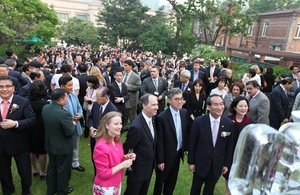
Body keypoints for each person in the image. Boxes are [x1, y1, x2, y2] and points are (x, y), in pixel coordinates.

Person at [188, 94, 234, 195]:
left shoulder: (228, 123)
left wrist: (226, 164)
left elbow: (229, 146)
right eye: (216, 104)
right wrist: (191, 162)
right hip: (200, 163)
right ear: (208, 107)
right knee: (195, 188)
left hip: (217, 165)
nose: (219, 107)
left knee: (209, 190)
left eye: (221, 104)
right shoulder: (199, 122)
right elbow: (192, 143)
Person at [0, 76, 36, 195]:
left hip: (19, 143)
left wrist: (15, 123)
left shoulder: (23, 101)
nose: (4, 89)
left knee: (24, 171)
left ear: (13, 88)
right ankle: (7, 190)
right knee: (3, 171)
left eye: (7, 86)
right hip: (1, 145)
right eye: (1, 86)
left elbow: (31, 119)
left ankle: (26, 190)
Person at [153, 88, 188, 195]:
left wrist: (185, 149)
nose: (180, 101)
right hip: (165, 156)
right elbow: (159, 142)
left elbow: (184, 132)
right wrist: (160, 160)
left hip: (177, 154)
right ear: (169, 100)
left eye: (181, 99)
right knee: (160, 181)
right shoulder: (162, 117)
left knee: (172, 181)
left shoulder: (184, 112)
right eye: (176, 99)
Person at [42, 88, 76, 195]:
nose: (67, 99)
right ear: (61, 100)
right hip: (63, 147)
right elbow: (70, 132)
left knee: (52, 167)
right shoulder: (63, 114)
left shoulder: (46, 108)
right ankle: (62, 190)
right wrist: (73, 124)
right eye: (66, 97)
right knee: (63, 170)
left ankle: (51, 190)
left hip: (50, 144)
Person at [92, 111, 136, 195]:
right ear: (107, 126)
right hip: (106, 188)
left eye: (120, 123)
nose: (119, 126)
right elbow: (103, 174)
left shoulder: (116, 140)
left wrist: (126, 157)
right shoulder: (101, 147)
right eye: (116, 124)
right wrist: (123, 165)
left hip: (116, 184)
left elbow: (114, 158)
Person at [123, 94, 159, 195]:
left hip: (147, 168)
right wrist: (131, 167)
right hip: (137, 171)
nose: (157, 107)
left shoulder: (152, 119)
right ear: (144, 106)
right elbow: (128, 148)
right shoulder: (136, 126)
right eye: (153, 105)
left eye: (157, 104)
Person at [223, 96, 253, 195]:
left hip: (243, 156)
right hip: (229, 154)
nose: (243, 108)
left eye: (245, 106)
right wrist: (226, 134)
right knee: (229, 180)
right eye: (241, 106)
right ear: (235, 107)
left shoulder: (250, 122)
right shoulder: (227, 120)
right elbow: (225, 134)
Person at [88, 87, 119, 176]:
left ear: (105, 97)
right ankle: (96, 175)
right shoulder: (96, 105)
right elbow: (90, 117)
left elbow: (115, 129)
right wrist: (91, 128)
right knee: (95, 158)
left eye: (98, 97)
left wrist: (100, 133)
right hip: (94, 138)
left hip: (105, 141)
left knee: (104, 161)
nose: (96, 99)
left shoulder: (113, 110)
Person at [59, 75, 85, 172]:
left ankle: (75, 163)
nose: (72, 87)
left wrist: (80, 115)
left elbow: (79, 107)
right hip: (64, 128)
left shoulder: (73, 95)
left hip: (76, 126)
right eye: (69, 85)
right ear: (62, 86)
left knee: (75, 145)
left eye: (72, 85)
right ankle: (65, 164)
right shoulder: (57, 97)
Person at [28, 80, 49, 180]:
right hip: (41, 127)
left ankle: (35, 169)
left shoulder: (26, 101)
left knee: (31, 150)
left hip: (29, 127)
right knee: (41, 151)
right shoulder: (44, 103)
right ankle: (43, 171)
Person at [123, 60, 141, 128]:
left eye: (126, 65)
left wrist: (128, 86)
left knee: (132, 116)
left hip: (131, 100)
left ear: (130, 66)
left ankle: (135, 128)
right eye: (124, 65)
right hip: (123, 99)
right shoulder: (122, 73)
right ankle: (124, 127)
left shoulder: (136, 76)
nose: (124, 67)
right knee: (124, 115)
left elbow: (138, 87)